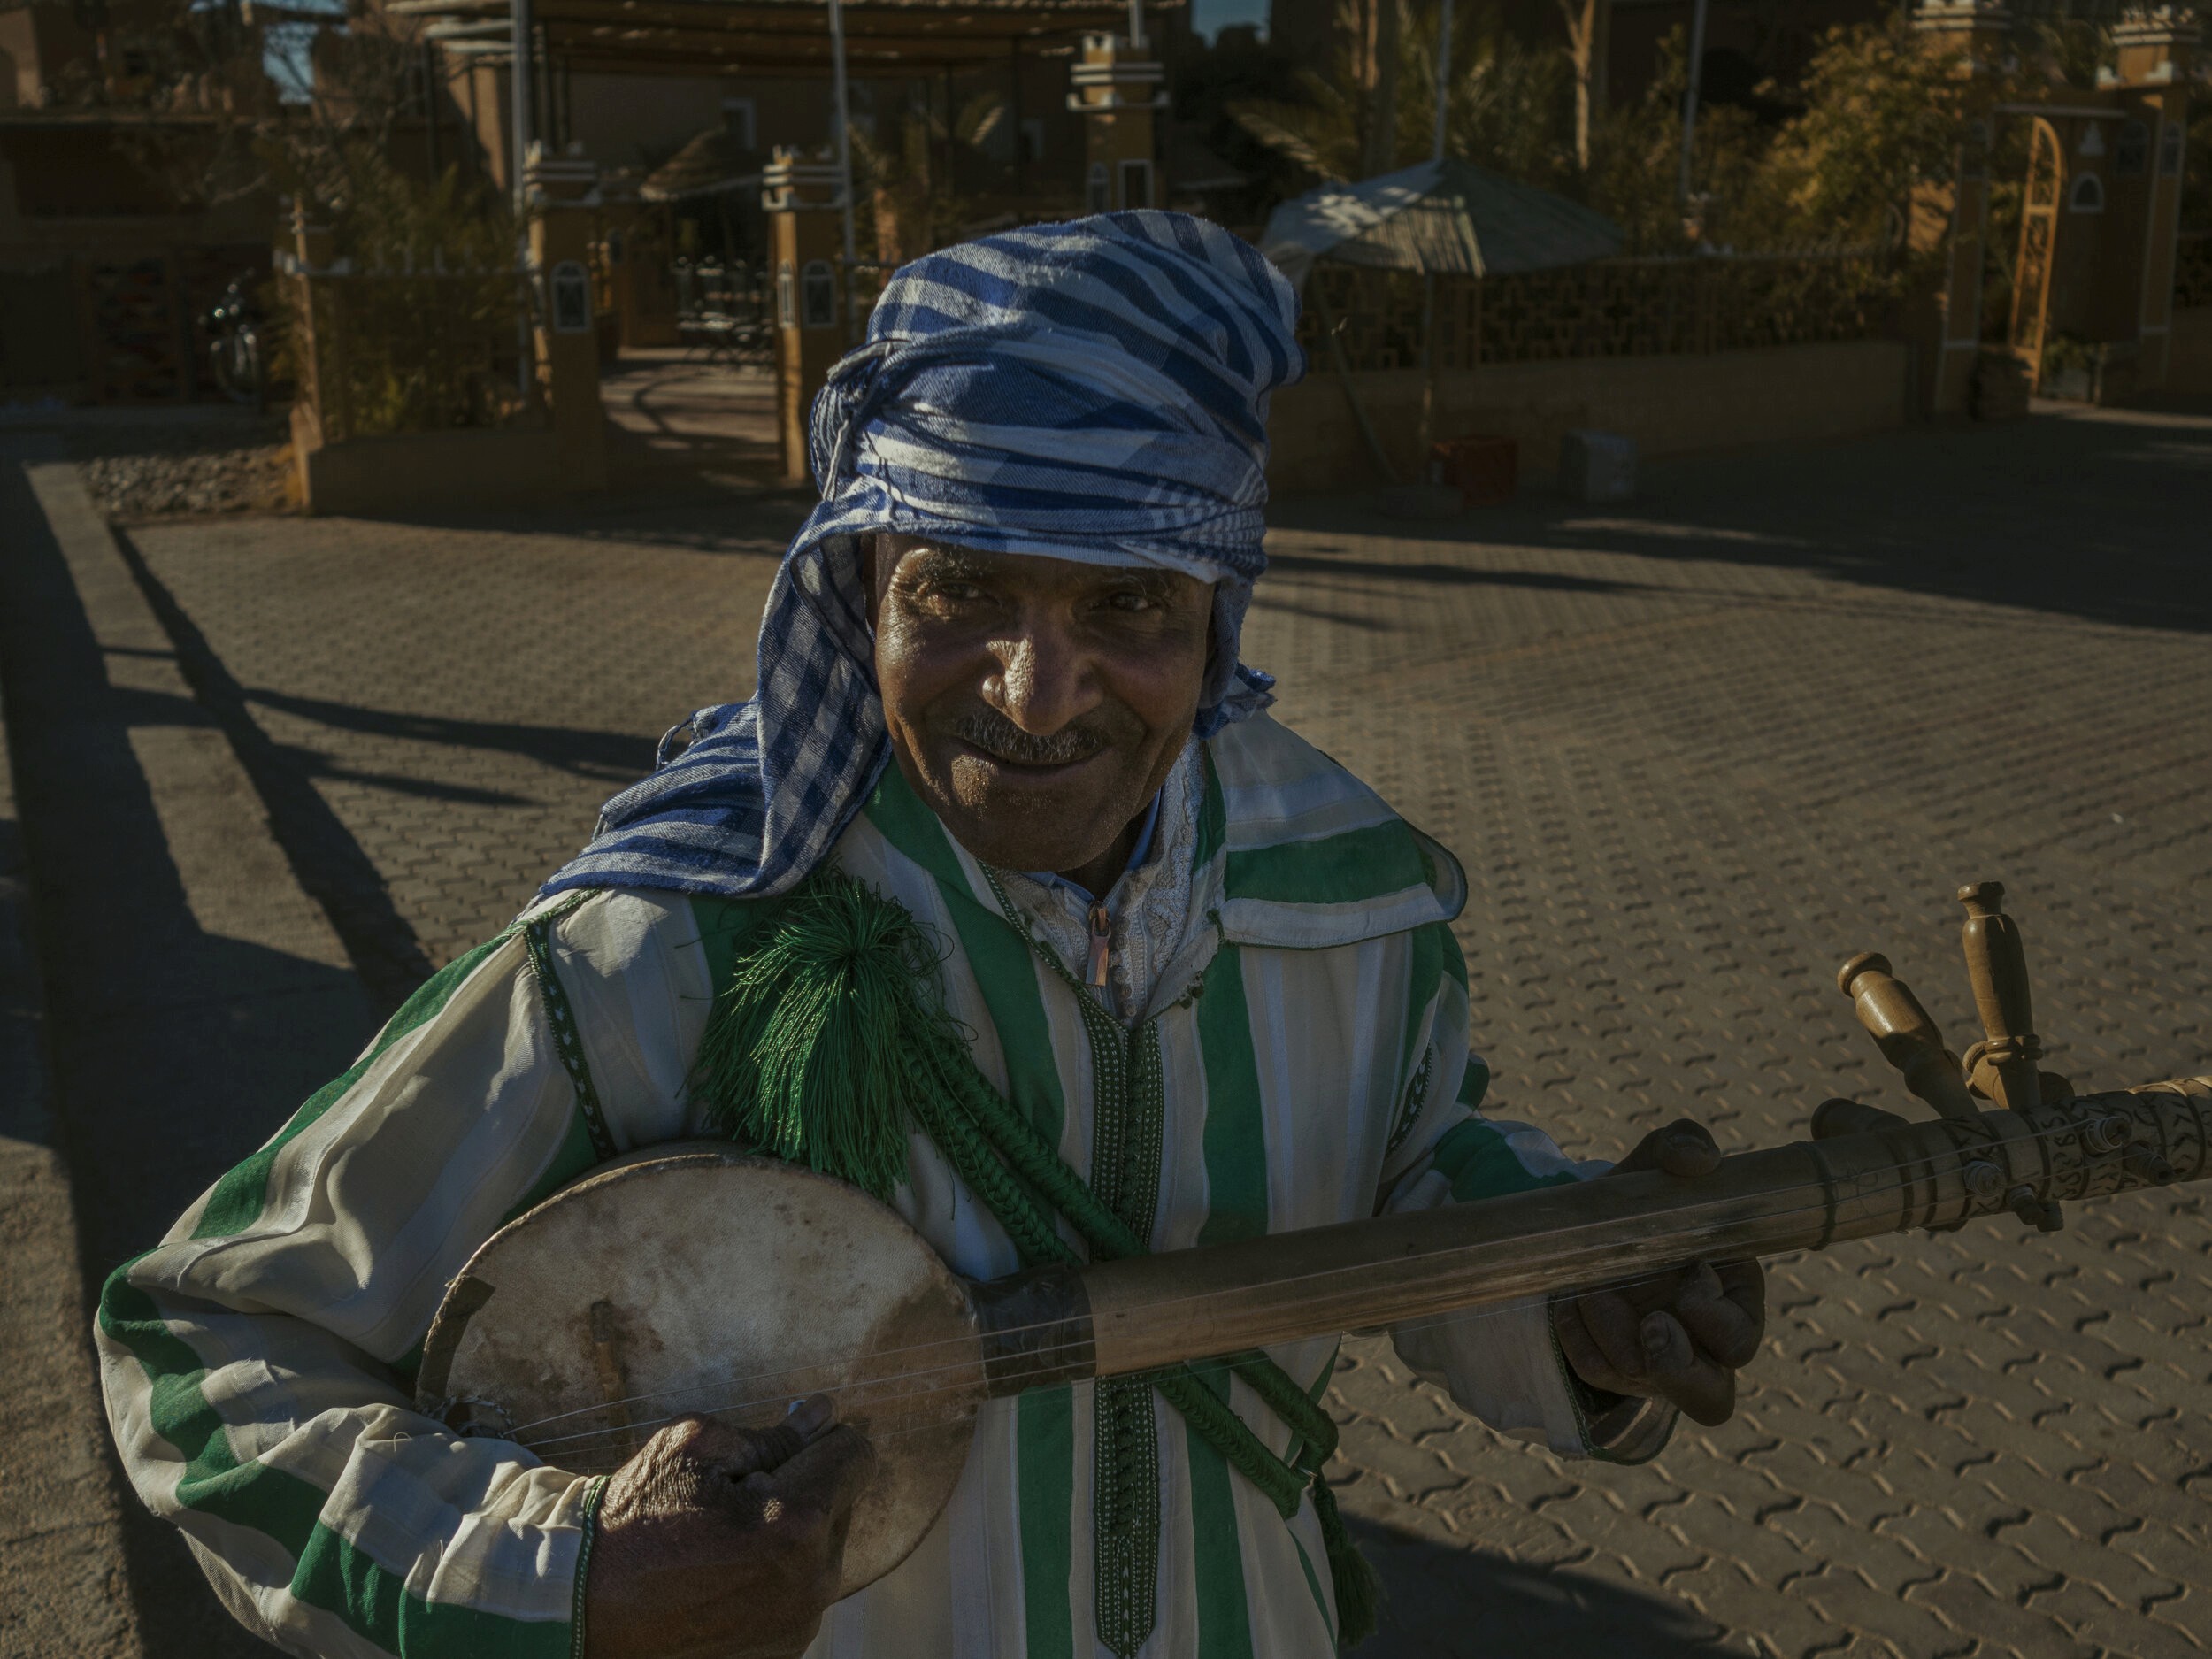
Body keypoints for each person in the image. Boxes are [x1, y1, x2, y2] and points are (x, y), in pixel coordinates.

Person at [96, 212, 1763, 1659]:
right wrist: (566, 1575)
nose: (1035, 699)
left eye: (1125, 607)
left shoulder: (1355, 898)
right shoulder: (675, 947)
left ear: (1217, 614)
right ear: (862, 591)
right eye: (959, 592)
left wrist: (1566, 1297)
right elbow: (204, 1346)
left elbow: (1411, 1170)